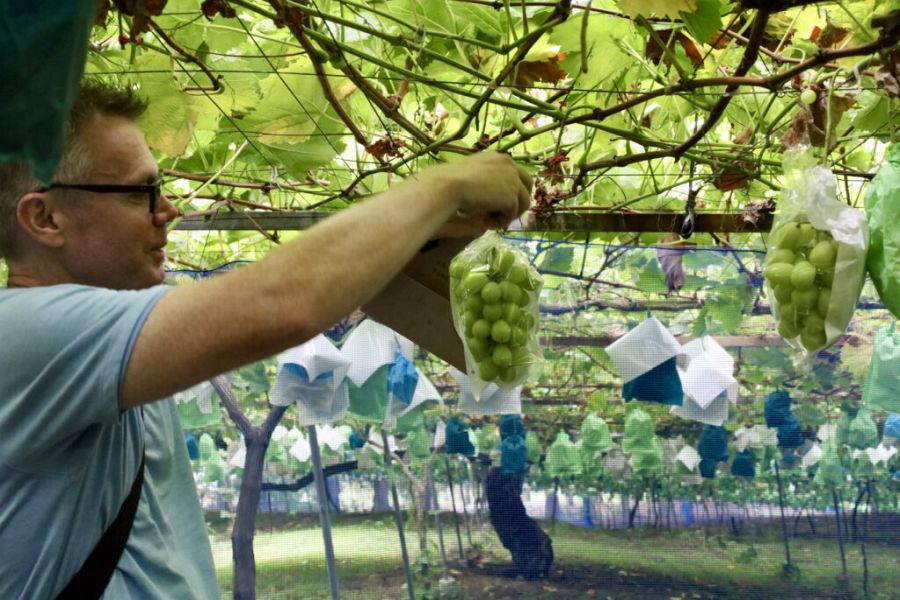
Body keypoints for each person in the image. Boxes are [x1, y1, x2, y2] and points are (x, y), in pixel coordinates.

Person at [0, 81, 532, 599]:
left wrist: (426, 237)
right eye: (142, 193)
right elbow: (284, 303)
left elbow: (298, 291)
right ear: (44, 217)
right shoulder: (25, 335)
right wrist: (443, 186)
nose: (168, 212)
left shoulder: (101, 340)